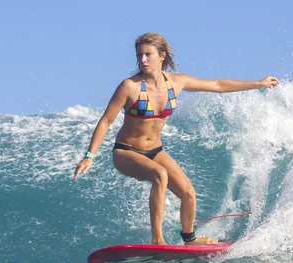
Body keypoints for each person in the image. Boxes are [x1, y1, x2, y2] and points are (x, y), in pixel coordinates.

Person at [74, 32, 279, 245]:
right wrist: (90, 155)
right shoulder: (130, 87)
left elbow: (217, 85)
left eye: (148, 54)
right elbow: (106, 120)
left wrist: (257, 83)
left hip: (155, 151)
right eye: (139, 55)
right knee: (159, 174)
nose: (142, 60)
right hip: (126, 152)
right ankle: (157, 239)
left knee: (188, 193)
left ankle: (189, 239)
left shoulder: (176, 83)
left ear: (162, 55)